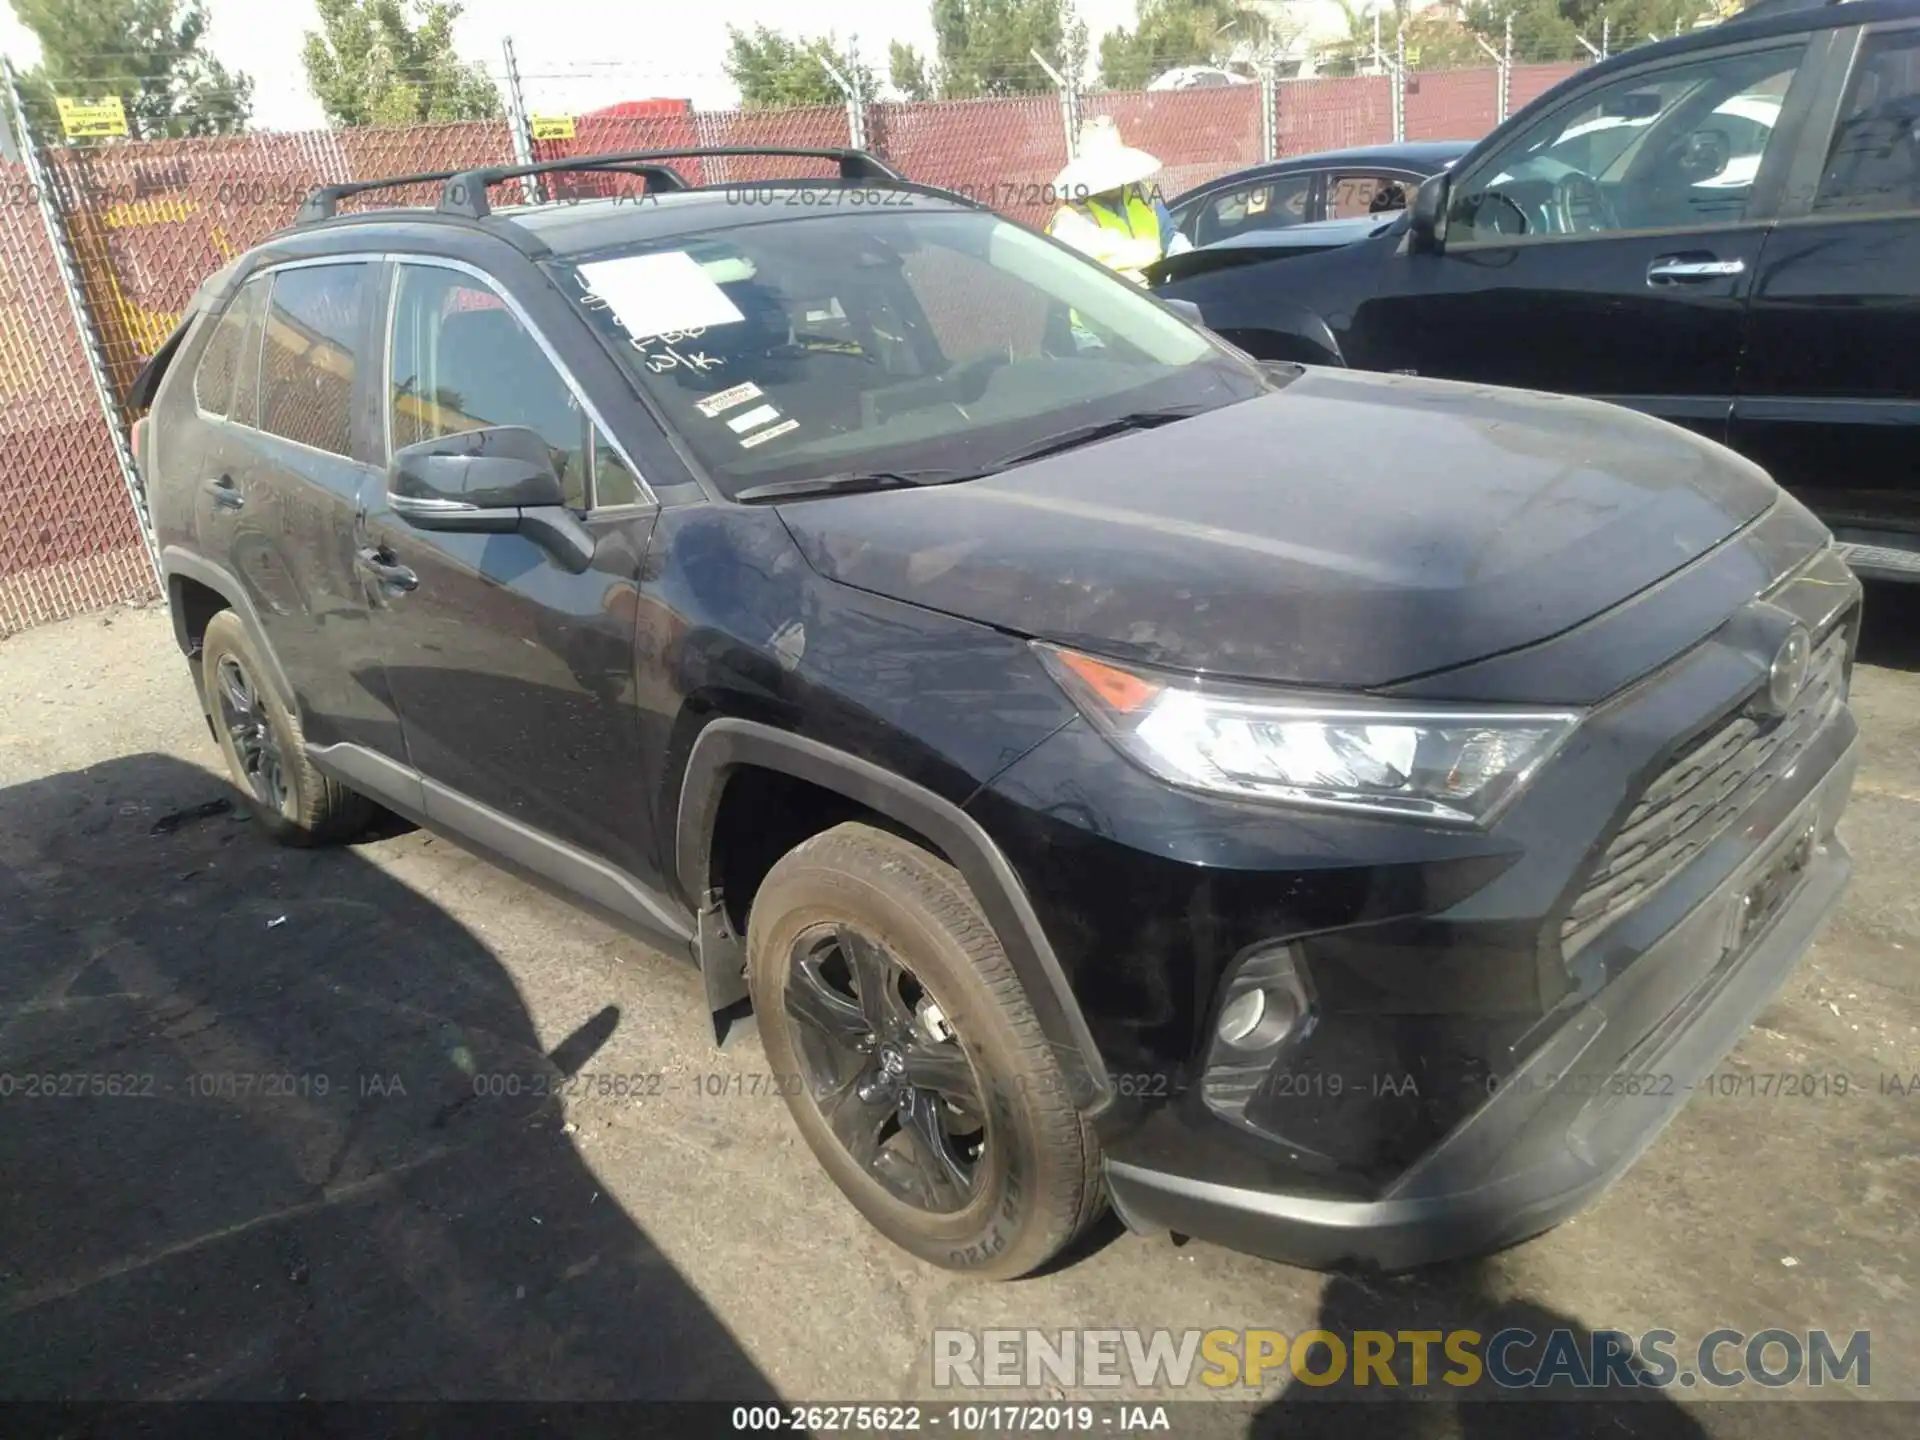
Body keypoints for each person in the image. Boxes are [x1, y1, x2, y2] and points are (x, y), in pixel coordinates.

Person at [1043, 117, 1193, 284]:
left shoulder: (1144, 194)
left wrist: (1193, 265)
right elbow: (1064, 283)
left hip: (1158, 300)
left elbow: (1171, 239)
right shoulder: (1068, 222)